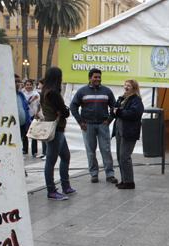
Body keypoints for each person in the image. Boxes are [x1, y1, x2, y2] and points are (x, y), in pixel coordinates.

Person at [70, 68, 117, 184]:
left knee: (105, 150)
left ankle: (110, 174)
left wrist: (110, 119)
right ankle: (94, 174)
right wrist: (80, 122)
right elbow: (73, 106)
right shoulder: (82, 91)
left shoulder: (107, 91)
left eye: (99, 77)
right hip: (88, 126)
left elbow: (115, 107)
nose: (98, 79)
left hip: (103, 125)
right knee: (90, 151)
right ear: (90, 78)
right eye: (95, 77)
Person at [40, 67, 74, 201]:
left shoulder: (45, 90)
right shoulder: (53, 93)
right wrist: (64, 110)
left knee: (65, 156)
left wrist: (63, 111)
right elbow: (65, 112)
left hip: (56, 128)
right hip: (55, 129)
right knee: (51, 160)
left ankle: (65, 185)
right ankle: (51, 190)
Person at [113, 79, 144, 189]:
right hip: (119, 130)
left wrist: (119, 111)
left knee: (124, 157)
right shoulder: (123, 98)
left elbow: (134, 113)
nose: (126, 87)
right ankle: (124, 180)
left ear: (134, 88)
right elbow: (115, 109)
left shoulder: (136, 100)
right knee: (119, 157)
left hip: (129, 132)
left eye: (129, 86)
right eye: (125, 85)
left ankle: (129, 182)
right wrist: (117, 106)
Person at [22, 79, 40, 157]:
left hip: (34, 115)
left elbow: (39, 104)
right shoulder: (22, 94)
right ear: (25, 85)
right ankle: (25, 149)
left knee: (34, 134)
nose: (28, 86)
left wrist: (38, 113)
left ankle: (34, 151)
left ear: (33, 85)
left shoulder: (36, 94)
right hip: (25, 115)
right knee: (25, 133)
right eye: (27, 85)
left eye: (30, 84)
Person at [15, 74, 32, 154]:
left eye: (19, 82)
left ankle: (24, 150)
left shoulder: (21, 94)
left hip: (23, 123)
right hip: (14, 125)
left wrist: (28, 119)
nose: (18, 84)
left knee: (24, 137)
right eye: (16, 82)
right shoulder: (8, 95)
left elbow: (26, 107)